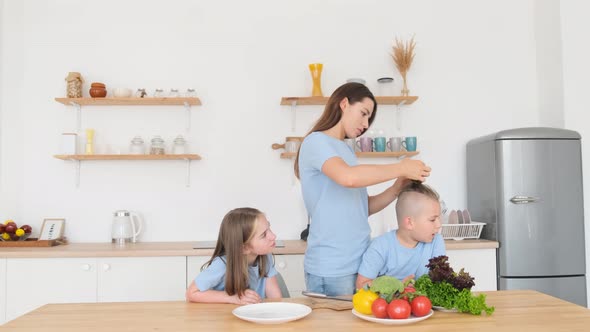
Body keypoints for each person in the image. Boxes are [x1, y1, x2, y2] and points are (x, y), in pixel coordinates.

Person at [294, 82, 432, 296]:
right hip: (332, 269)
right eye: (364, 113)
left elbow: (361, 208)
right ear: (344, 103)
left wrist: (396, 188)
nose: (365, 124)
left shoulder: (346, 151)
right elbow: (348, 177)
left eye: (369, 118)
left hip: (361, 264)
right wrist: (400, 167)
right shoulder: (316, 142)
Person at [356, 181, 445, 289]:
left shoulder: (436, 241)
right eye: (432, 219)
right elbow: (361, 285)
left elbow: (440, 280)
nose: (439, 225)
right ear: (409, 222)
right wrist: (397, 286)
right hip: (390, 304)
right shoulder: (380, 246)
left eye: (439, 218)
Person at [186, 207, 282, 304]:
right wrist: (233, 298)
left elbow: (275, 298)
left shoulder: (265, 256)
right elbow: (191, 293)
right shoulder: (222, 264)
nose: (273, 236)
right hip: (222, 316)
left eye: (269, 227)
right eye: (263, 235)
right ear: (244, 248)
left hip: (250, 314)